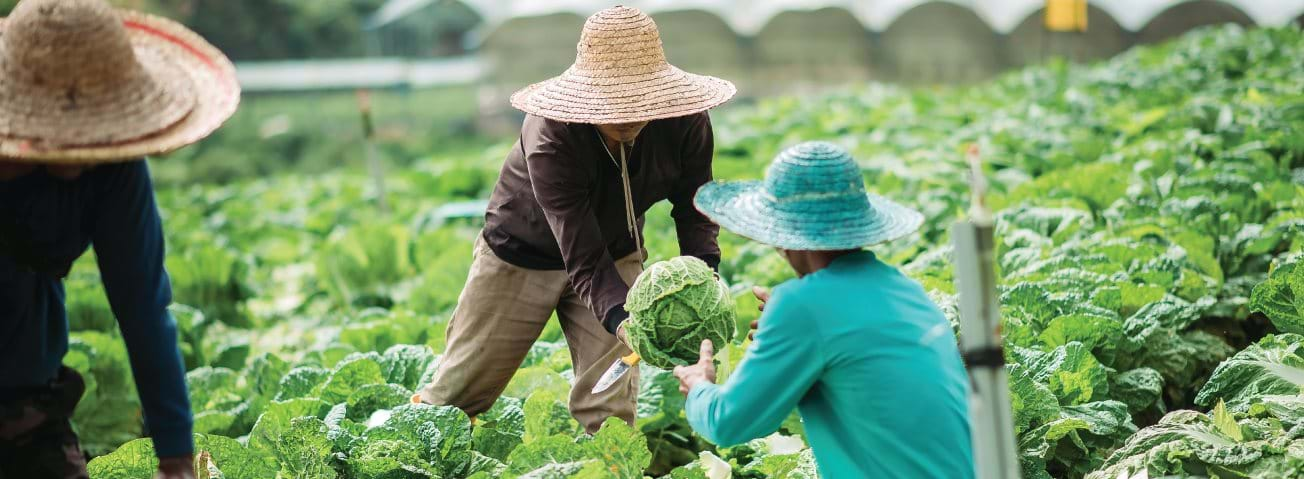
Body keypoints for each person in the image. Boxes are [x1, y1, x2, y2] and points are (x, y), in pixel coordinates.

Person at [413, 5, 736, 433]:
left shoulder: (686, 120)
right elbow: (583, 256)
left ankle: (607, 464)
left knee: (609, 410)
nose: (625, 117)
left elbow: (695, 205)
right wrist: (625, 322)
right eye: (611, 105)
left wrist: (705, 284)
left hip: (618, 249)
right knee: (456, 396)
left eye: (638, 102)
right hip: (521, 255)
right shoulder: (552, 134)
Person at [0, 0, 240, 478]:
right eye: (64, 137)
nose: (82, 156)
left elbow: (143, 307)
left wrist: (175, 458)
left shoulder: (113, 167)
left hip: (30, 407)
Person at [675, 142, 975, 477]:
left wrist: (699, 386)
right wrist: (799, 329)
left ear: (781, 238)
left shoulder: (801, 306)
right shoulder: (910, 292)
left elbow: (728, 423)